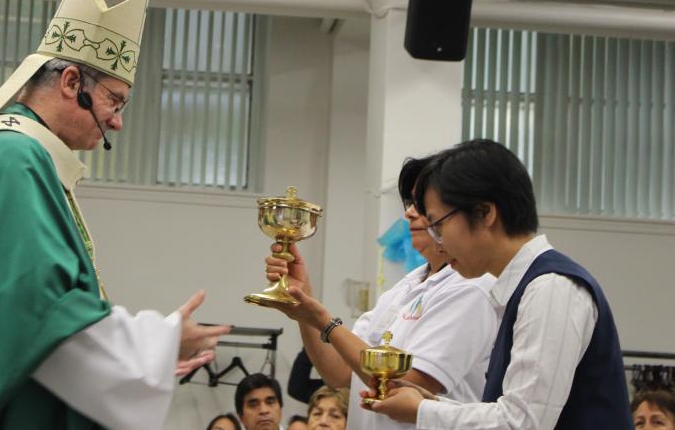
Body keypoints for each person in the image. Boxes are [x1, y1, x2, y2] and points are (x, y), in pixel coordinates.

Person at [0, 0, 229, 429]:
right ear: (71, 82)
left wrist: (138, 366)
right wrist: (158, 342)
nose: (119, 121)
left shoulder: (19, 153)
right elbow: (38, 308)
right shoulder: (13, 156)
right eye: (114, 99)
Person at [368, 139, 632, 429]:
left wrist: (423, 411)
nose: (437, 241)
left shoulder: (550, 288)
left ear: (485, 213)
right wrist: (429, 404)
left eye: (438, 225)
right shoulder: (518, 288)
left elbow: (521, 423)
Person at [264, 156, 497, 430]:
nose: (409, 214)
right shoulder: (405, 287)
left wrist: (324, 320)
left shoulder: (471, 287)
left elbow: (407, 382)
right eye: (409, 204)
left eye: (422, 206)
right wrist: (304, 305)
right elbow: (340, 374)